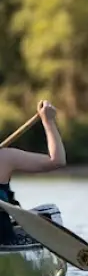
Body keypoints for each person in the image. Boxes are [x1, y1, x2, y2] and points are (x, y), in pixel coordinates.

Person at [0, 101, 67, 244]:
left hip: (3, 240)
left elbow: (57, 161)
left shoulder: (4, 157)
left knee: (51, 212)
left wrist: (48, 122)